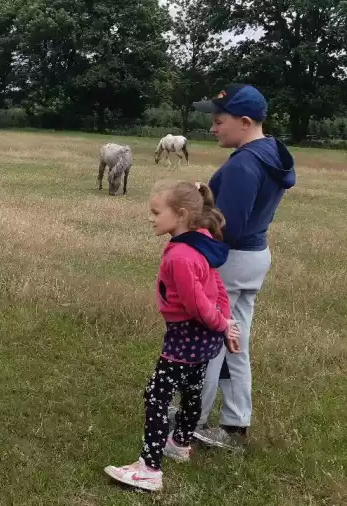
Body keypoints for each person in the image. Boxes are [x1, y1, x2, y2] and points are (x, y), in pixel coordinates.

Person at [104, 181, 241, 492]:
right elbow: (218, 288)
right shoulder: (201, 242)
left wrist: (221, 323)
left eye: (155, 212)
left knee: (157, 396)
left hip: (185, 336)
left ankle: (149, 467)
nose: (150, 218)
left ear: (180, 215)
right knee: (192, 389)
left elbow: (195, 303)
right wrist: (224, 323)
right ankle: (179, 443)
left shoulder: (179, 255)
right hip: (205, 339)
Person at [190, 84, 296, 449]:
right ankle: (233, 422)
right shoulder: (270, 153)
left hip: (230, 261)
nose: (213, 128)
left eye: (219, 121)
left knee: (211, 340)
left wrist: (193, 223)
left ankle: (193, 421)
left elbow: (227, 228)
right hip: (253, 256)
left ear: (245, 121)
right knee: (235, 340)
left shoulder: (244, 164)